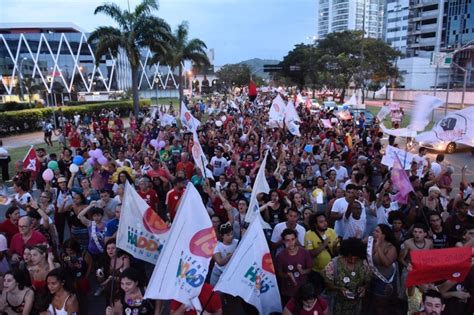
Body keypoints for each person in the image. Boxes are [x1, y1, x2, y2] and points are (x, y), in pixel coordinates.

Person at [322, 238, 372, 315]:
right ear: (345, 253)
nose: (352, 260)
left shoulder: (363, 263)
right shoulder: (334, 264)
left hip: (356, 305)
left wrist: (364, 288)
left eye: (356, 258)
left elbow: (368, 280)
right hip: (338, 305)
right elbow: (327, 283)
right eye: (350, 257)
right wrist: (339, 289)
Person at [276, 229, 313, 305]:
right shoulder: (280, 256)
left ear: (296, 239)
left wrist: (303, 271)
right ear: (283, 241)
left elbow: (309, 268)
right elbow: (279, 273)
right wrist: (288, 275)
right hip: (288, 291)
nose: (291, 243)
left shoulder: (304, 252)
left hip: (303, 290)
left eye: (292, 239)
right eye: (287, 240)